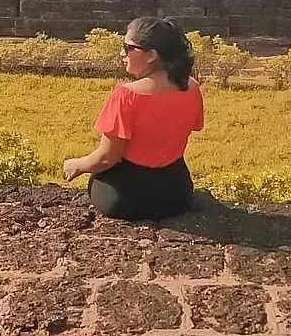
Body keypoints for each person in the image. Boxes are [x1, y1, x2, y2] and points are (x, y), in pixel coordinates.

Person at [62, 16, 204, 220]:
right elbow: (191, 127)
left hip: (126, 198)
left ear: (151, 55)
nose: (122, 53)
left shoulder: (127, 95)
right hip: (176, 194)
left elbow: (105, 159)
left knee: (98, 180)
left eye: (128, 47)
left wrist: (76, 164)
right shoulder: (192, 87)